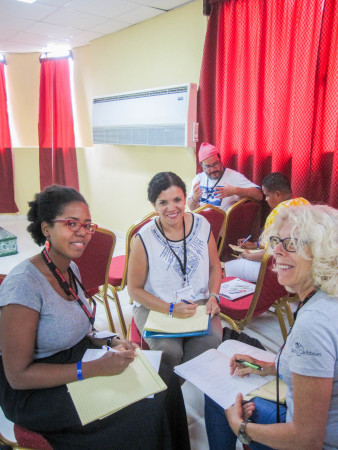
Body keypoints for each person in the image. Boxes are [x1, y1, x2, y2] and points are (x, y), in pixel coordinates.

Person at [0, 185, 190, 450]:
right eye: (71, 223)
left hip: (76, 356)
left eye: (87, 225)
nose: (83, 232)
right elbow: (18, 376)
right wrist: (92, 369)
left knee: (164, 375)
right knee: (144, 409)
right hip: (36, 392)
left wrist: (110, 341)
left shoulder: (70, 267)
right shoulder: (23, 285)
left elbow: (77, 327)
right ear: (46, 229)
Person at [205, 204, 338, 449]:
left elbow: (306, 439)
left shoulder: (314, 323)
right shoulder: (326, 297)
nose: (275, 251)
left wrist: (241, 428)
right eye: (277, 240)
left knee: (218, 395)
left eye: (292, 243)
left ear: (323, 252)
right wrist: (264, 367)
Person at [128, 172, 223, 370]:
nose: (172, 208)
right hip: (155, 305)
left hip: (197, 301)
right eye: (163, 203)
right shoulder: (144, 238)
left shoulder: (202, 225)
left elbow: (215, 266)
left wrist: (213, 296)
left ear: (185, 198)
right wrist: (170, 309)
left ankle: (182, 385)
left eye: (177, 200)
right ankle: (172, 394)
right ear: (154, 206)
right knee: (168, 350)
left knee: (211, 338)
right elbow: (134, 290)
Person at [225, 172, 310, 282]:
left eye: (267, 195)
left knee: (229, 266)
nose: (265, 199)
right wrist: (254, 245)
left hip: (281, 268)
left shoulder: (278, 213)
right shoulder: (305, 203)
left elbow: (271, 253)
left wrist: (248, 256)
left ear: (278, 194)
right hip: (304, 267)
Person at [187, 142, 262, 212]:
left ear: (220, 160)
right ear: (202, 166)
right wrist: (194, 198)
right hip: (201, 222)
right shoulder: (199, 178)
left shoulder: (233, 177)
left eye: (216, 164)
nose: (213, 169)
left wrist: (235, 190)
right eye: (208, 166)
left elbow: (259, 195)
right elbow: (192, 208)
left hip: (221, 224)